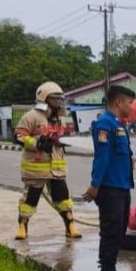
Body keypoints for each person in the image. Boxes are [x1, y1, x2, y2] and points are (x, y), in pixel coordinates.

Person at [82, 85, 136, 271]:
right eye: (130, 103)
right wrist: (94, 186)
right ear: (119, 102)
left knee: (119, 231)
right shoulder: (105, 124)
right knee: (110, 232)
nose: (131, 107)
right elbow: (102, 158)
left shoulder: (117, 124)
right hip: (110, 188)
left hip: (122, 186)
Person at [14, 82, 82, 241]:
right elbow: (18, 136)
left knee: (63, 198)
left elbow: (68, 134)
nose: (58, 101)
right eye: (54, 98)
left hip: (57, 168)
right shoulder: (32, 116)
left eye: (60, 98)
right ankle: (22, 226)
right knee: (30, 199)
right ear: (44, 98)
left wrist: (65, 140)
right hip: (36, 167)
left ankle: (70, 226)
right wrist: (37, 143)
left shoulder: (62, 117)